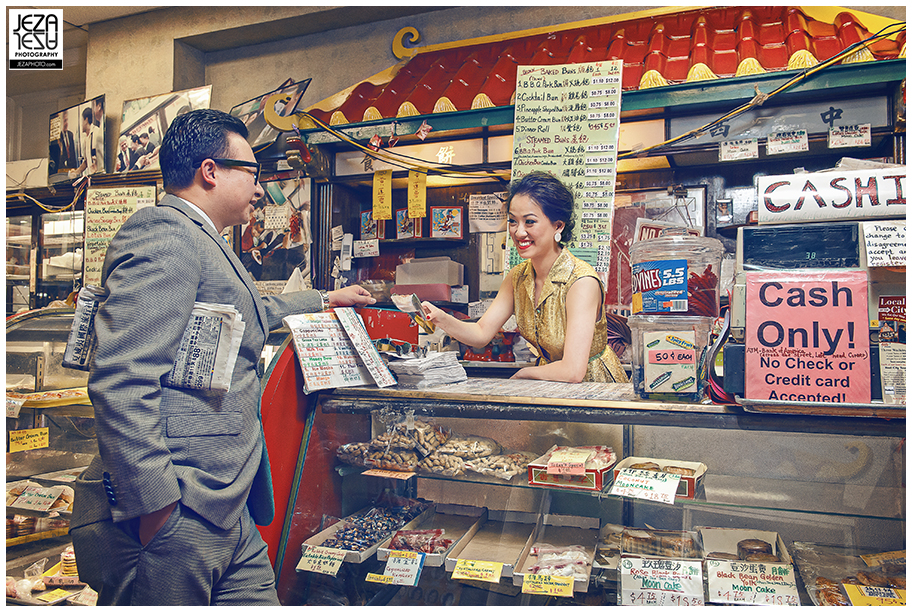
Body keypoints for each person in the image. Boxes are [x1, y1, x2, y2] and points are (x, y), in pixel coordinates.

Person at [69, 109, 375, 606]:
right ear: (210, 171)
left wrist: (322, 300)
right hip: (178, 505)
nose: (259, 189)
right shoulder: (163, 232)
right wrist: (157, 506)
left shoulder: (202, 236)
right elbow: (122, 378)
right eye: (252, 173)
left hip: (226, 501)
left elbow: (245, 312)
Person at [423, 171, 627, 383]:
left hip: (594, 387)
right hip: (550, 384)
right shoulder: (518, 277)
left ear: (558, 225)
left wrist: (524, 374)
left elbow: (573, 371)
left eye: (529, 222)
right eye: (513, 221)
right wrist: (441, 318)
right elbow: (482, 332)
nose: (519, 232)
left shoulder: (581, 281)